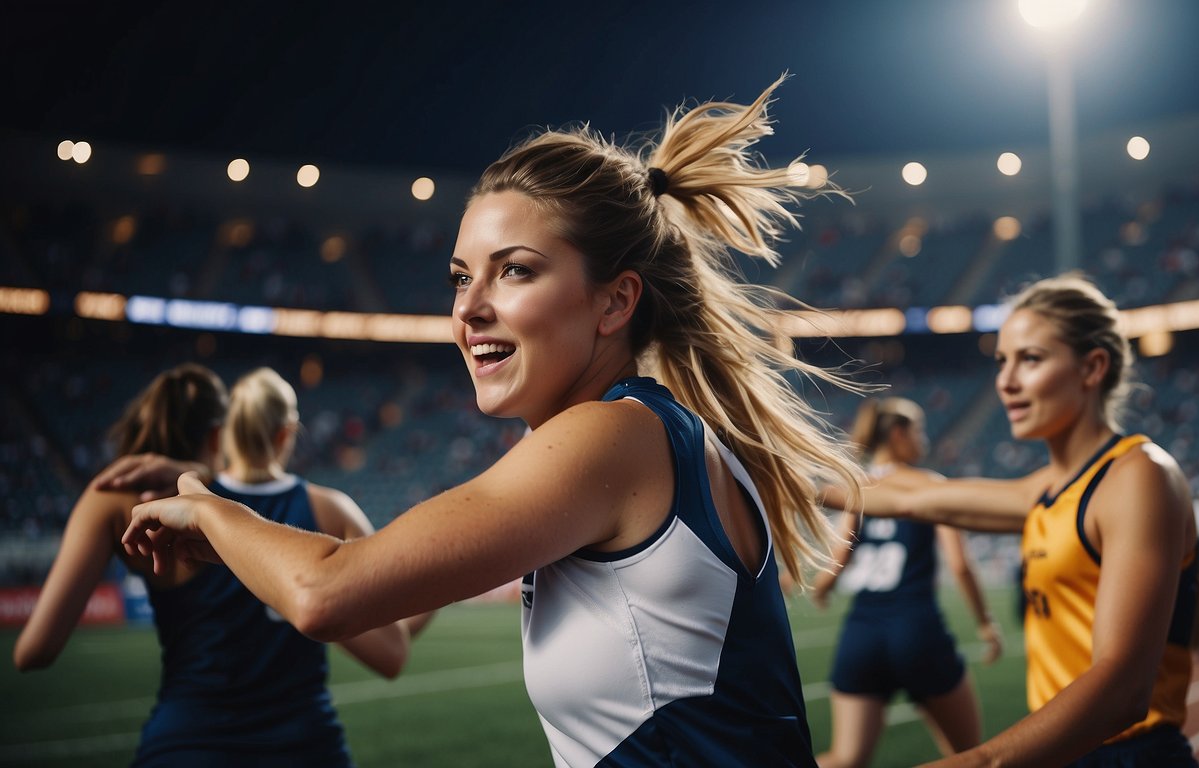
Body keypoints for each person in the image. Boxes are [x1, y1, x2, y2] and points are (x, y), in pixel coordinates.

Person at [117, 77, 868, 767]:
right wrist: (239, 542)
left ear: (616, 301)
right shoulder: (653, 434)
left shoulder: (610, 437)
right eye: (459, 277)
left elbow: (325, 594)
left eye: (514, 270)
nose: (468, 308)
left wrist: (210, 507)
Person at [826, 275, 1199, 767]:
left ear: (1092, 367)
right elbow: (917, 497)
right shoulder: (1046, 490)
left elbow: (1124, 691)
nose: (1005, 382)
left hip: (1128, 757)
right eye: (1002, 361)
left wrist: (981, 761)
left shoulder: (1139, 477)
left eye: (1030, 359)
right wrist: (793, 478)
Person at [14, 363, 416, 767]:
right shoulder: (328, 510)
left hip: (184, 745)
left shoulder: (142, 501)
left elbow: (33, 652)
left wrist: (196, 481)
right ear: (284, 434)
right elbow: (390, 651)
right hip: (304, 747)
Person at [812, 397, 1002, 768]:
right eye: (919, 430)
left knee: (845, 758)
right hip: (917, 628)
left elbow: (841, 556)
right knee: (968, 757)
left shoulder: (858, 486)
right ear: (898, 434)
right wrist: (985, 622)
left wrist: (821, 589)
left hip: (862, 631)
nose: (925, 440)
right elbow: (960, 565)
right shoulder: (929, 484)